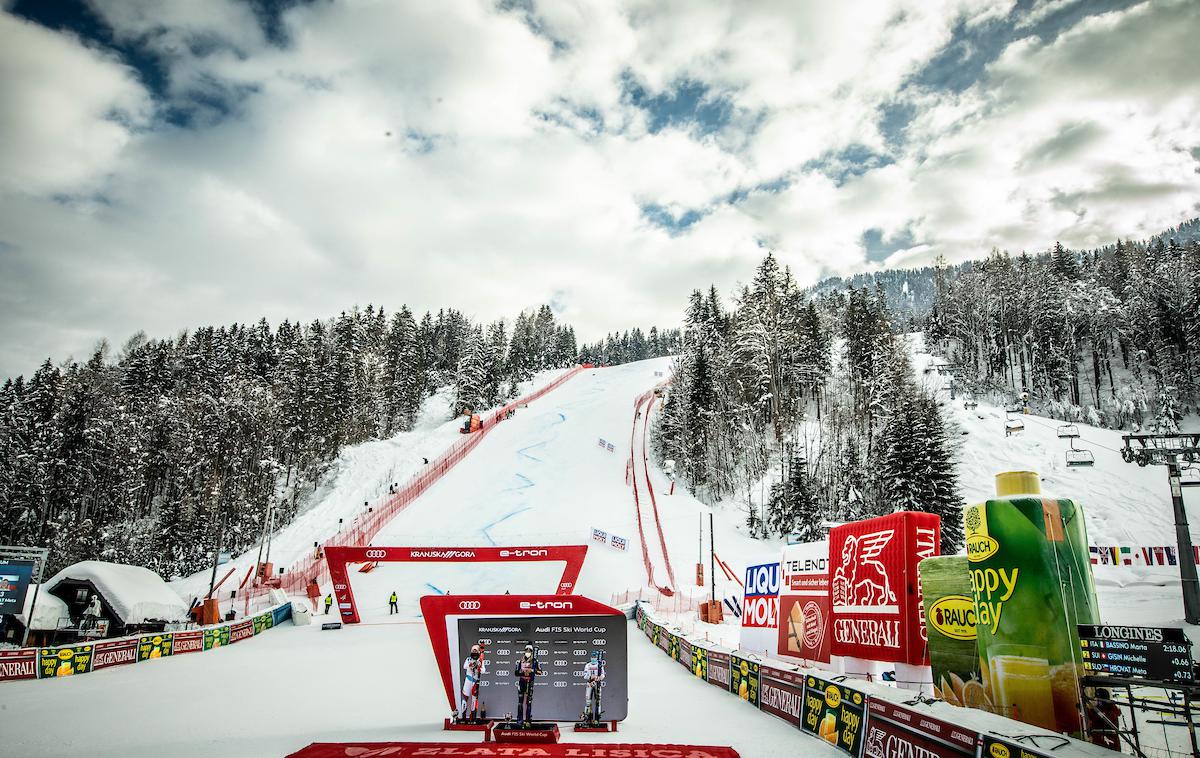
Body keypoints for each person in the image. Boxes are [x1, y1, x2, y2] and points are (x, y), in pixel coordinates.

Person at [514, 644, 543, 725]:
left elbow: (540, 671)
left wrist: (532, 671)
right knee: (520, 702)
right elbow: (516, 673)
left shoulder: (535, 661)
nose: (528, 652)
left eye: (529, 651)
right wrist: (523, 672)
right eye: (526, 651)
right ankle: (519, 720)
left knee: (528, 702)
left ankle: (528, 720)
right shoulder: (520, 661)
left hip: (530, 682)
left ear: (532, 652)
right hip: (522, 682)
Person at [460, 644, 486, 720]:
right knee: (465, 698)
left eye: (475, 650)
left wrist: (479, 667)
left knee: (474, 699)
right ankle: (463, 718)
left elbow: (484, 670)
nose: (474, 651)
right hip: (468, 680)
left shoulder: (481, 660)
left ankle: (473, 718)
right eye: (473, 649)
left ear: (478, 651)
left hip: (475, 682)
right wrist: (471, 665)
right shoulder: (468, 659)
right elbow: (464, 666)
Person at [581, 651, 605, 722]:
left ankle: (598, 718)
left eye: (594, 657)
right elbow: (585, 676)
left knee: (598, 701)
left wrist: (600, 677)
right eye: (592, 657)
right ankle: (588, 718)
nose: (593, 658)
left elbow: (603, 674)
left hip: (597, 684)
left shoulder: (600, 665)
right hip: (590, 684)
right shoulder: (588, 665)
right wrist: (591, 677)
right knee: (588, 702)